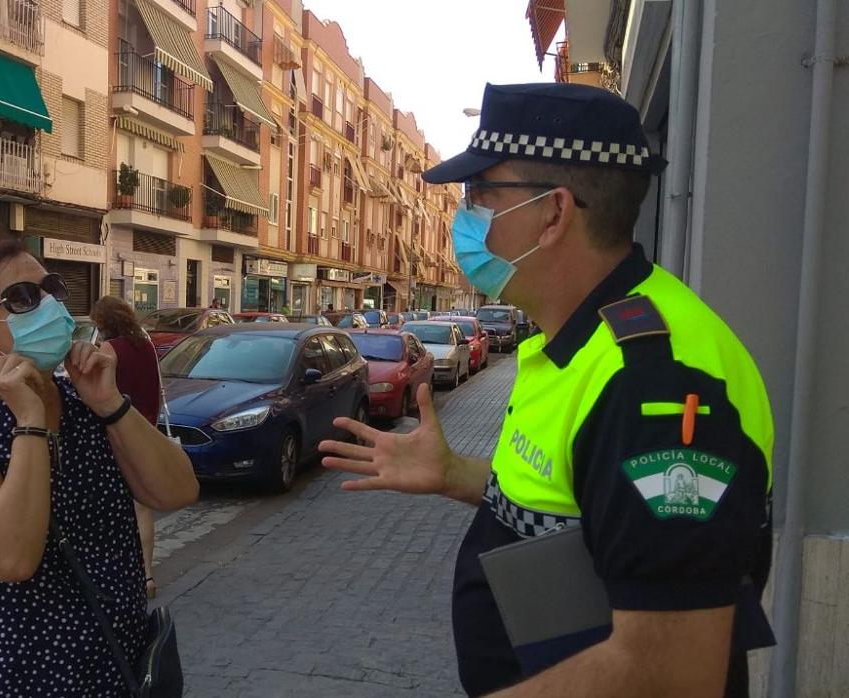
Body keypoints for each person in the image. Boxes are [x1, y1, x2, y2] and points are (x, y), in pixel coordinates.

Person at [319, 83, 774, 697]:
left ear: (554, 214)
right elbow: (581, 510)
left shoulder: (656, 384)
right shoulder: (580, 342)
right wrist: (454, 473)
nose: (464, 216)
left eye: (480, 195)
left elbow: (669, 673)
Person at [0, 239, 199, 696]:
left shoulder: (86, 403)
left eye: (51, 290)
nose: (48, 306)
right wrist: (30, 422)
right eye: (23, 298)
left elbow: (178, 492)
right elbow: (10, 559)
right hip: (24, 674)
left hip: (117, 662)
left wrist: (109, 402)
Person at [91, 296, 162, 599]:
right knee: (141, 506)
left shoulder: (109, 350)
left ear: (104, 323)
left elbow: (97, 393)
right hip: (147, 428)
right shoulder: (146, 345)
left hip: (118, 432)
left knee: (113, 506)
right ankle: (147, 575)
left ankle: (116, 571)